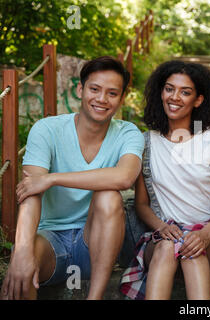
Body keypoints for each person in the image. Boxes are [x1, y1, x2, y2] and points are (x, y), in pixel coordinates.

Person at [0, 56, 145, 300]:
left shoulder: (128, 133)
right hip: (50, 241)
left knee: (109, 196)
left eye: (112, 93)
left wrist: (53, 178)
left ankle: (95, 297)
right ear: (80, 89)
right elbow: (30, 192)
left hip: (96, 243)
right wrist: (23, 249)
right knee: (21, 263)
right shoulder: (47, 129)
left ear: (121, 98)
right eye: (94, 89)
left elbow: (124, 178)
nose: (101, 99)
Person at [119, 60, 210, 300]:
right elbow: (142, 204)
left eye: (185, 92)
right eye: (169, 89)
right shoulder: (146, 142)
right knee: (169, 247)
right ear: (160, 92)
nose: (174, 97)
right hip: (163, 237)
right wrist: (162, 227)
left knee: (193, 250)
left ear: (198, 100)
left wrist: (205, 234)